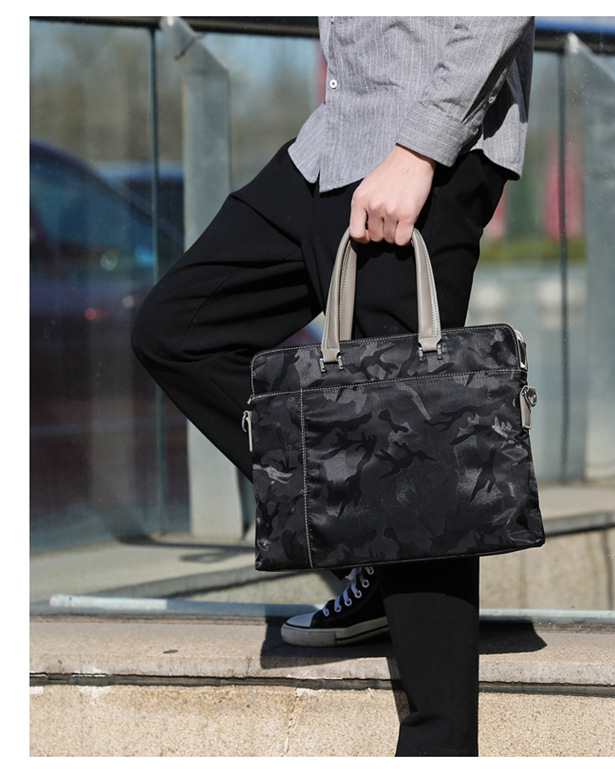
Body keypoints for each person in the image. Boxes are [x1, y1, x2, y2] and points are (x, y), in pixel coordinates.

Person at [131, 16, 534, 757]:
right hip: (332, 140)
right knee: (179, 329)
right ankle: (368, 553)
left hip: (422, 145)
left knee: (410, 432)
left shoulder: (423, 147)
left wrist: (421, 147)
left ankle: (440, 745)